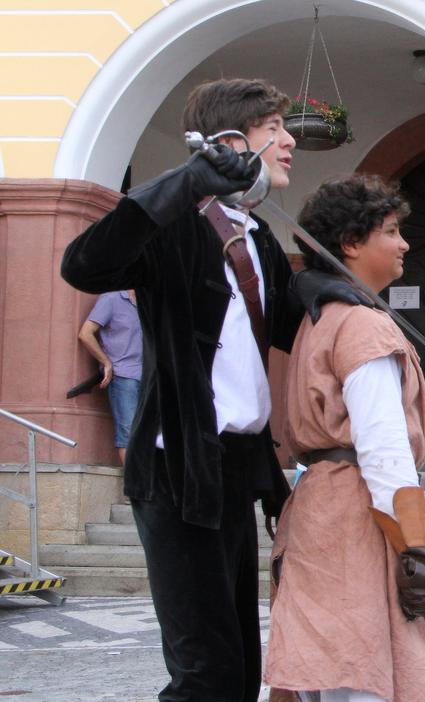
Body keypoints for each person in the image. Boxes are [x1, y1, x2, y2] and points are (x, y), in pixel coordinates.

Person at [59, 77, 317, 701]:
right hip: (176, 468)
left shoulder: (258, 238)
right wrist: (183, 183)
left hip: (236, 470)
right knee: (204, 674)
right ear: (230, 142)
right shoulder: (175, 227)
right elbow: (83, 265)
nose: (289, 142)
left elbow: (293, 325)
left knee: (239, 669)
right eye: (274, 129)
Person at [262, 175, 425, 702]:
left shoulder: (321, 319)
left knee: (327, 668)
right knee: (360, 670)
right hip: (360, 513)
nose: (404, 243)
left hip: (322, 507)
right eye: (390, 231)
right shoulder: (362, 325)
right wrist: (416, 546)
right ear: (350, 242)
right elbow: (384, 450)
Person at [77, 290, 142, 464]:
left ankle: (148, 478)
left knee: (149, 432)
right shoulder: (112, 298)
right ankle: (134, 481)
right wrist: (106, 362)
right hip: (123, 375)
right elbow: (86, 333)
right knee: (128, 431)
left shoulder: (150, 303)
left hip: (150, 377)